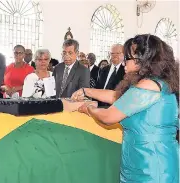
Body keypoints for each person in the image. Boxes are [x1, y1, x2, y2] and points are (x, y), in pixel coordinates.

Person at [72, 34, 179, 183]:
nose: (123, 63)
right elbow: (118, 97)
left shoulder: (148, 86)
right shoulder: (156, 83)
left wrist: (89, 109)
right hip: (143, 159)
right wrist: (87, 91)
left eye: (127, 58)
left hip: (152, 164)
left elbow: (109, 117)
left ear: (142, 60)